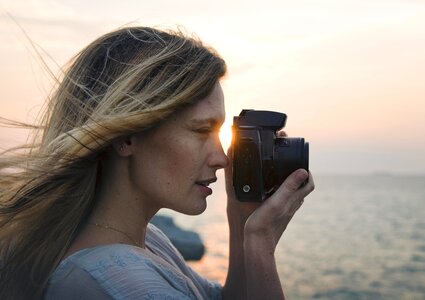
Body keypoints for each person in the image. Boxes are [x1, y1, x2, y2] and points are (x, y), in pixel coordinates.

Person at [0, 26, 314, 299]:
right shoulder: (110, 283)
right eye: (201, 130)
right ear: (126, 137)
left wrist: (242, 220)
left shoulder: (144, 239)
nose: (221, 158)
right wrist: (261, 245)